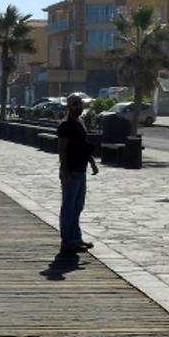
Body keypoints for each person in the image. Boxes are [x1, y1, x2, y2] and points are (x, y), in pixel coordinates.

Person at [56, 93, 98, 253]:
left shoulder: (80, 123)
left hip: (81, 170)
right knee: (68, 207)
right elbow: (62, 150)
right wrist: (65, 172)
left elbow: (84, 146)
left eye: (80, 103)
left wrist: (92, 163)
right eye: (74, 104)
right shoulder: (65, 125)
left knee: (78, 207)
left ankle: (76, 238)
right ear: (68, 106)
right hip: (71, 171)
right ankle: (67, 241)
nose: (78, 106)